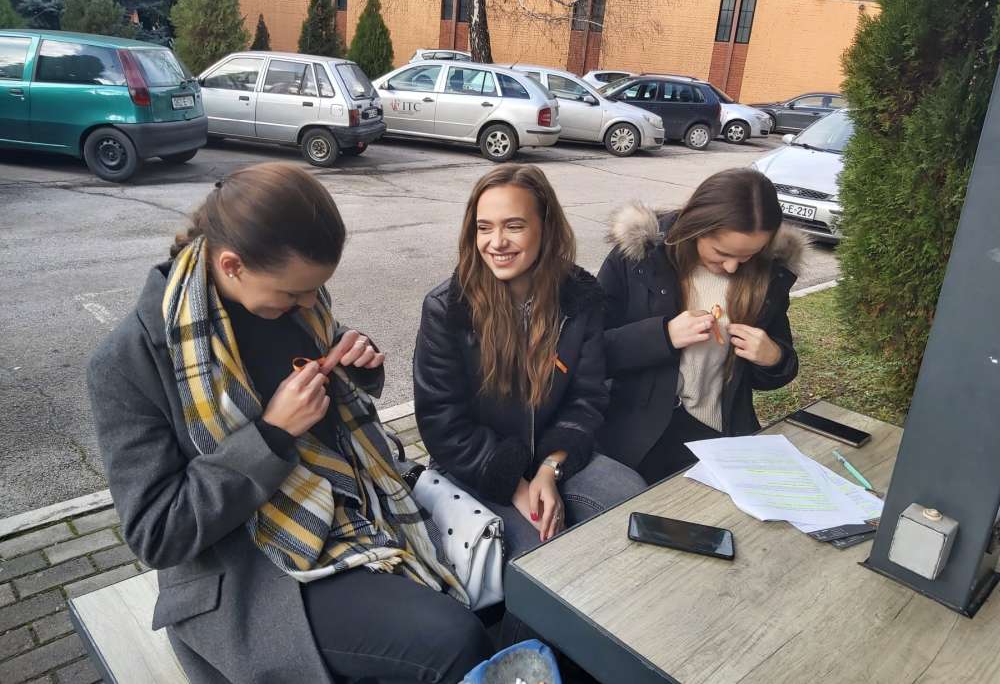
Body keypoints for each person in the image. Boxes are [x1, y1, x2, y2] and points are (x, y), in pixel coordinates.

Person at [87, 162, 493, 684]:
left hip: (349, 508)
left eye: (316, 291)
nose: (310, 303)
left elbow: (331, 371)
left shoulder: (291, 303)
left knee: (488, 600)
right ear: (232, 265)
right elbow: (158, 533)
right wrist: (272, 435)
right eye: (293, 294)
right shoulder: (128, 362)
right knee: (453, 638)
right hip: (250, 572)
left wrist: (357, 361)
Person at [413, 163, 646, 561]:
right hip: (474, 464)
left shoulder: (579, 299)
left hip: (553, 455)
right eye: (484, 227)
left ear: (546, 227)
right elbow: (442, 423)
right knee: (540, 553)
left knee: (632, 499)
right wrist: (514, 485)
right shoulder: (448, 307)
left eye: (514, 226)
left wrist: (550, 469)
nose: (496, 242)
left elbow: (586, 399)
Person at [597, 168, 808, 484]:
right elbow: (592, 350)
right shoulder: (639, 259)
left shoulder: (769, 275)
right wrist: (663, 336)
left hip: (721, 437)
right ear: (696, 227)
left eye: (748, 256)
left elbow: (773, 373)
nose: (732, 267)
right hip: (635, 435)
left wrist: (773, 357)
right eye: (722, 253)